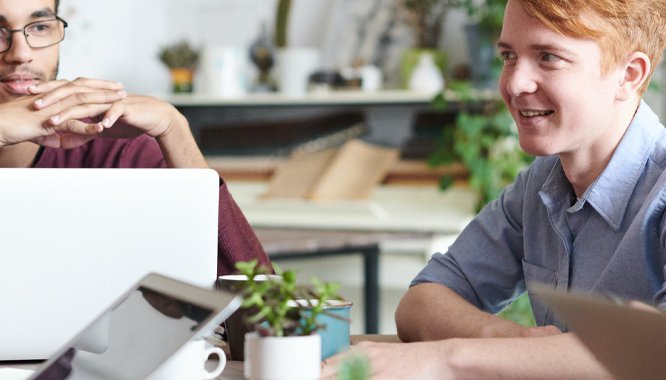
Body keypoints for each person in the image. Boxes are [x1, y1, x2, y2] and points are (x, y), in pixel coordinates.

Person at [322, 0, 666, 378]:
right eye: (508, 55)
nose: (515, 83)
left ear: (629, 75)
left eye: (548, 57)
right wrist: (513, 342)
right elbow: (423, 299)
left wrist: (447, 357)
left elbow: (656, 351)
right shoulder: (540, 183)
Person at [0, 0, 271, 276]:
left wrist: (175, 130)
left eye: (41, 26)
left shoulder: (117, 150)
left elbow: (260, 310)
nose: (20, 54)